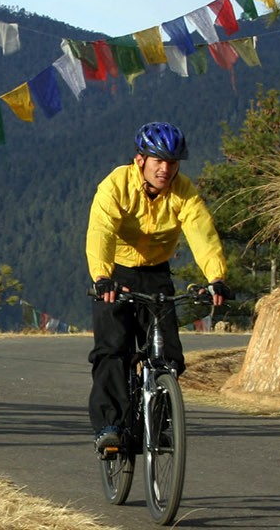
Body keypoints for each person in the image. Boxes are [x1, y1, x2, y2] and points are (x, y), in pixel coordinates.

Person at [85, 121, 230, 454]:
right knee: (112, 349)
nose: (166, 169)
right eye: (158, 161)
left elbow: (201, 232)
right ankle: (111, 426)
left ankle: (160, 422)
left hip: (156, 273)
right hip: (115, 274)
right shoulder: (115, 186)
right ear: (141, 160)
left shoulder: (183, 192)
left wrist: (216, 277)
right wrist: (102, 277)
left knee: (168, 356)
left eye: (173, 162)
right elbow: (101, 232)